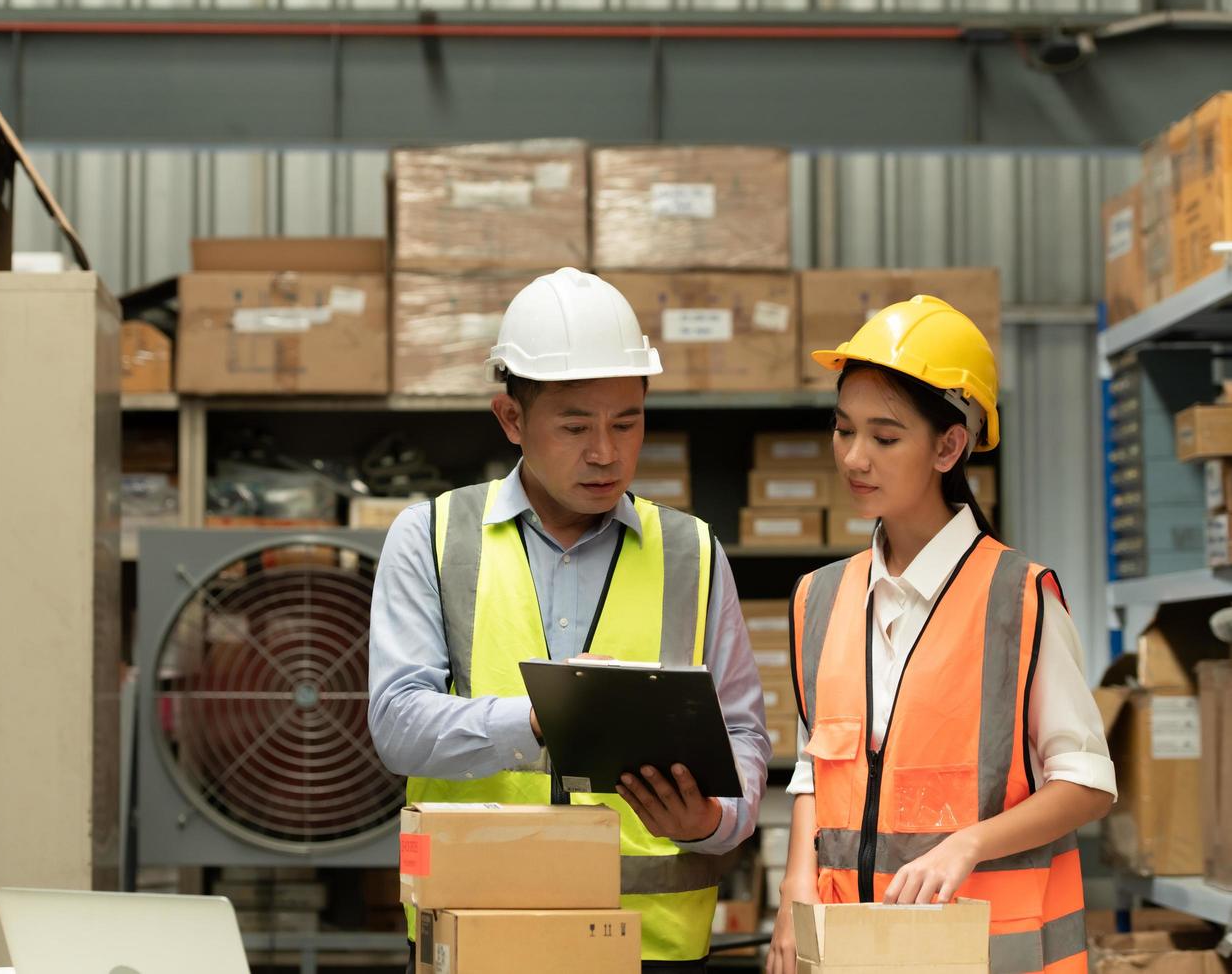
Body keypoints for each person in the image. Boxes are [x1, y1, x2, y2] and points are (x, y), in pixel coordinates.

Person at [367, 267, 771, 972]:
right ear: (512, 419)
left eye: (628, 422)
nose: (607, 453)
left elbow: (742, 733)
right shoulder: (431, 537)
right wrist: (536, 722)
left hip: (655, 947)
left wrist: (711, 821)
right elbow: (397, 724)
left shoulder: (691, 553)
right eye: (576, 426)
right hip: (474, 935)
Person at [766, 296, 1116, 974]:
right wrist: (792, 888)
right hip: (850, 951)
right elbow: (819, 765)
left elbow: (1087, 782)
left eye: (885, 437)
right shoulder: (821, 598)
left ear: (949, 445)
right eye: (843, 431)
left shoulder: (1019, 597)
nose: (854, 457)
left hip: (983, 953)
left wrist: (968, 845)